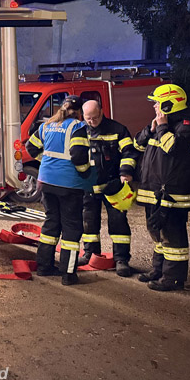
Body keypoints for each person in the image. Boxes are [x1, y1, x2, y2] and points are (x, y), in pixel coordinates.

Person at [133, 84, 190, 291]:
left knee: (173, 238)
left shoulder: (186, 127)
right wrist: (151, 129)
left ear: (170, 104)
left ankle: (173, 279)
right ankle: (158, 270)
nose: (154, 106)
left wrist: (161, 128)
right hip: (154, 192)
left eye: (158, 102)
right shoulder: (163, 124)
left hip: (172, 194)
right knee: (158, 234)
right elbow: (137, 145)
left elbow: (173, 148)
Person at [26, 95, 93, 285]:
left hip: (46, 182)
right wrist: (85, 173)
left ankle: (44, 267)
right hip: (69, 185)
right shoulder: (77, 127)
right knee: (72, 229)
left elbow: (31, 148)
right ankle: (68, 274)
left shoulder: (46, 125)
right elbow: (79, 157)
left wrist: (47, 164)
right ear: (79, 111)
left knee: (51, 224)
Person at [79, 100, 138, 276]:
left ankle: (121, 260)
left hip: (113, 185)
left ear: (102, 111)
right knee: (88, 223)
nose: (91, 122)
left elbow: (129, 152)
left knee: (118, 223)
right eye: (88, 118)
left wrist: (126, 172)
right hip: (89, 186)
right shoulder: (80, 132)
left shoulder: (118, 129)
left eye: (95, 117)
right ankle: (90, 253)